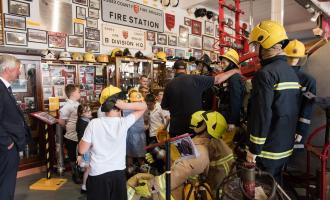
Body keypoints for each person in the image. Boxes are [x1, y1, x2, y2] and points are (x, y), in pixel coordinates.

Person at [127, 111, 234, 199]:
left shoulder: (200, 152)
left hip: (176, 192)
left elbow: (180, 173)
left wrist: (151, 186)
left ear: (208, 127)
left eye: (202, 121)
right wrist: (162, 157)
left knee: (134, 183)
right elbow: (178, 165)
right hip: (176, 185)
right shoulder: (195, 143)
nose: (197, 122)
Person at [246, 20, 301, 183]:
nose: (256, 50)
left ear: (266, 44)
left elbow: (261, 115)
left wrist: (254, 149)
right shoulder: (291, 72)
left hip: (267, 151)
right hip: (285, 147)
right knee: (277, 186)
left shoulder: (265, 74)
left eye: (257, 45)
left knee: (263, 189)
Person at [78, 85, 147, 200]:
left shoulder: (94, 123)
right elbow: (143, 106)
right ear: (119, 103)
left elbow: (82, 150)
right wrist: (125, 105)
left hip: (98, 173)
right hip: (118, 173)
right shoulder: (124, 123)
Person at [161, 59, 240, 137]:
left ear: (174, 70)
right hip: (194, 129)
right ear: (186, 69)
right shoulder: (196, 79)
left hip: (176, 129)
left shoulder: (169, 85)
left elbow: (164, 106)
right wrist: (234, 71)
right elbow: (217, 79)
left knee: (176, 149)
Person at [0, 55, 31, 200]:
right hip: (6, 148)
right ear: (7, 69)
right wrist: (8, 143)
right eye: (18, 69)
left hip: (8, 146)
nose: (19, 73)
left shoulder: (5, 88)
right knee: (6, 183)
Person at [284, 39, 316, 144]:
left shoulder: (308, 81)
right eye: (291, 57)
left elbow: (308, 105)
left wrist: (301, 129)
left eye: (295, 57)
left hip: (292, 127)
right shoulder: (308, 80)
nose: (293, 59)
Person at [218, 48, 245, 132]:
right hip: (225, 113)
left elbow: (235, 100)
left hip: (229, 116)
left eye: (224, 63)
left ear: (231, 64)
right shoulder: (228, 76)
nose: (221, 65)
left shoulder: (234, 78)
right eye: (221, 62)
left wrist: (232, 121)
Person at [58, 84, 81, 183]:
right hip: (71, 136)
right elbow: (61, 121)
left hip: (79, 134)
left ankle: (79, 172)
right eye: (78, 92)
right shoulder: (67, 106)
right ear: (72, 93)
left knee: (79, 154)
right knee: (72, 156)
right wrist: (67, 128)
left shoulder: (77, 104)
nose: (80, 93)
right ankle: (75, 174)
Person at [124, 89, 147, 175]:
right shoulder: (142, 106)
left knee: (130, 155)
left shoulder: (126, 108)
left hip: (133, 135)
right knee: (139, 157)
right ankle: (142, 175)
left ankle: (130, 174)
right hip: (136, 135)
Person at [76, 104, 93, 193]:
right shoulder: (83, 123)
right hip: (86, 149)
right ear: (81, 113)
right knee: (89, 168)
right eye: (86, 111)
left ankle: (85, 186)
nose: (89, 112)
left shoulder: (85, 121)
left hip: (87, 148)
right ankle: (85, 186)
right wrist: (80, 154)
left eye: (89, 110)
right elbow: (81, 139)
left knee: (89, 168)